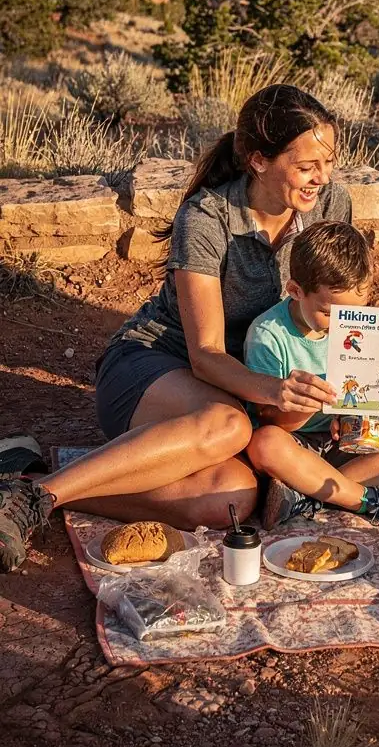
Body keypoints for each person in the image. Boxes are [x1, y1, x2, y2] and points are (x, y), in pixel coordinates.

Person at [0, 85, 358, 572]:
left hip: (248, 384)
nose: (322, 177)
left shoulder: (332, 202)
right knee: (230, 425)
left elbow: (335, 307)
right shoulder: (207, 217)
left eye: (329, 161)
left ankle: (38, 483)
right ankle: (35, 500)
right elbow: (205, 354)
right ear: (258, 160)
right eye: (305, 166)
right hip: (159, 365)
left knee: (228, 500)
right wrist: (274, 391)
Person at [244, 220, 379, 524]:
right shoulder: (269, 335)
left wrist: (357, 413)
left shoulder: (361, 327)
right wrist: (313, 404)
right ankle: (368, 501)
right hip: (296, 443)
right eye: (328, 313)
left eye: (352, 313)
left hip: (342, 442)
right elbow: (270, 419)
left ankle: (306, 496)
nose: (342, 324)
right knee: (266, 444)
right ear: (295, 290)